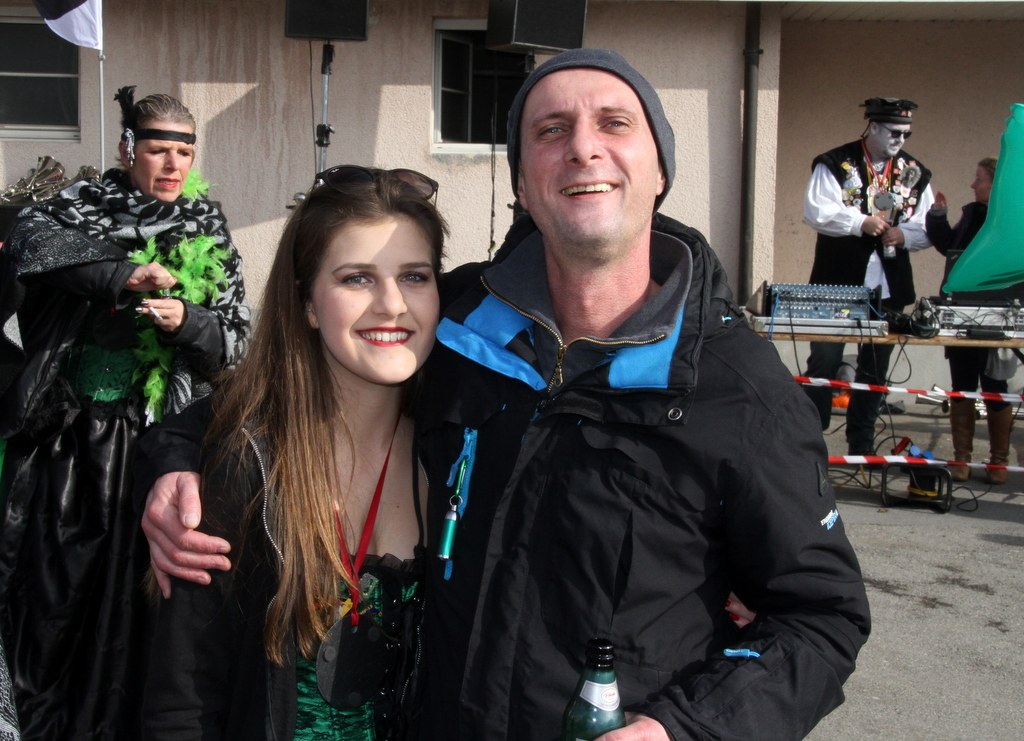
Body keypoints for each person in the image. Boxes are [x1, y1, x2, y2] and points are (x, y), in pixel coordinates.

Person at [140, 49, 870, 740]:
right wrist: (174, 458)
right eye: (550, 131)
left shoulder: (739, 389)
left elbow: (821, 617)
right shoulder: (458, 325)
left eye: (615, 123)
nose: (582, 148)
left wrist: (684, 727)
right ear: (521, 184)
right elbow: (282, 390)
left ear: (660, 171)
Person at [140, 167, 446, 740]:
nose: (392, 304)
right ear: (307, 303)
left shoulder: (454, 455)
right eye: (357, 278)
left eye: (414, 275)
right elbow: (183, 700)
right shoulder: (248, 466)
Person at [0, 86, 249, 739]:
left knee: (148, 614)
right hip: (71, 451)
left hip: (160, 447)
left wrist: (188, 321)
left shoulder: (207, 227)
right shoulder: (77, 208)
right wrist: (123, 275)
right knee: (57, 608)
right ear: (126, 149)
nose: (172, 165)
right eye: (158, 149)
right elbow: (28, 243)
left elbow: (237, 342)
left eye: (184, 152)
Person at [802, 97, 935, 455]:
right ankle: (810, 443)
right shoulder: (836, 163)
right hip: (836, 283)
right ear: (873, 126)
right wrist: (860, 222)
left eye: (906, 134)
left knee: (875, 368)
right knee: (824, 360)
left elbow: (925, 227)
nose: (900, 140)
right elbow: (816, 212)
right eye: (894, 132)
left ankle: (861, 444)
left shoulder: (914, 171)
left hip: (887, 287)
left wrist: (903, 235)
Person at [927, 157, 1021, 483]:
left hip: (1000, 315)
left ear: (995, 186)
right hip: (962, 313)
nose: (972, 184)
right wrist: (937, 217)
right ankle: (961, 460)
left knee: (995, 385)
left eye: (979, 179)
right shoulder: (972, 214)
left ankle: (998, 462)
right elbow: (950, 249)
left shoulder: (1011, 218)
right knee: (963, 385)